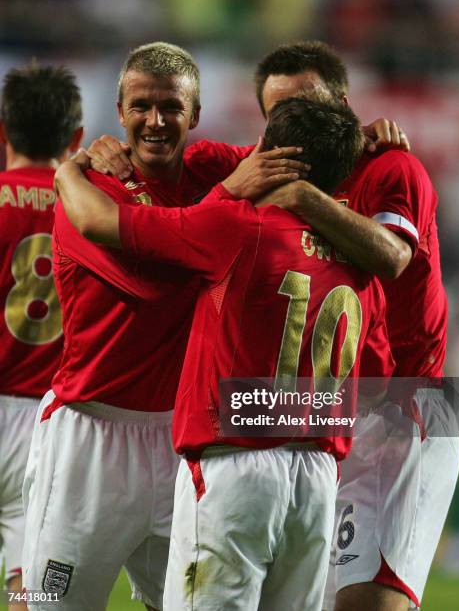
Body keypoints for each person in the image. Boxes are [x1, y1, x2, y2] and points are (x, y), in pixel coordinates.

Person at [55, 95, 395, 611]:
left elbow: (103, 222)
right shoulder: (360, 261)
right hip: (318, 476)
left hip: (237, 467)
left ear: (267, 152)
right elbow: (378, 375)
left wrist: (67, 172)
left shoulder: (236, 228)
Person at [21, 42, 307, 611]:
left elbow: (294, 159)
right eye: (142, 107)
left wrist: (367, 141)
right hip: (90, 437)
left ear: (195, 116)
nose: (156, 121)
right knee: (46, 602)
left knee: (176, 603)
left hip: (183, 441)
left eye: (171, 107)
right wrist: (228, 199)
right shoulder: (90, 192)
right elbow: (155, 282)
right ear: (120, 113)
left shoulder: (209, 168)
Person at [253, 41, 459, 611]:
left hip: (403, 405)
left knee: (368, 604)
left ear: (344, 105)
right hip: (320, 414)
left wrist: (302, 195)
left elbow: (392, 255)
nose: (299, 124)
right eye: (280, 116)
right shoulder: (262, 177)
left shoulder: (392, 167)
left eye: (312, 107)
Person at [0, 63, 82, 611]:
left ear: (3, 133)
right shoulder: (88, 213)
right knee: (30, 585)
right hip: (45, 423)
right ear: (76, 140)